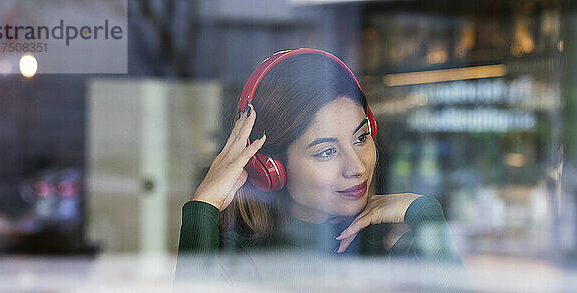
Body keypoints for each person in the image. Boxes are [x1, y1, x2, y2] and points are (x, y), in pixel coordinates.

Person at [178, 48, 465, 276]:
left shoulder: (397, 243)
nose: (357, 168)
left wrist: (425, 214)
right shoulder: (235, 260)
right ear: (269, 168)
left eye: (361, 138)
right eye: (326, 151)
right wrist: (204, 206)